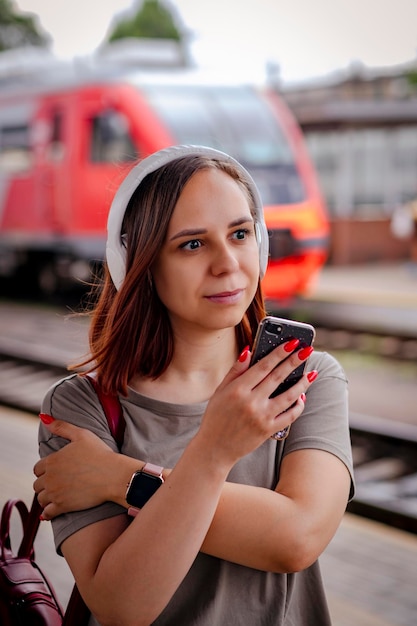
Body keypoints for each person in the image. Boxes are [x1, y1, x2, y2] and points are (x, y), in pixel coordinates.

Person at [34, 144, 354, 626]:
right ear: (141, 263)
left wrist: (120, 478)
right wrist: (213, 452)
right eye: (192, 243)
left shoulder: (307, 379)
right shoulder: (80, 409)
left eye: (240, 233)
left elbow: (296, 539)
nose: (227, 263)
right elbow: (122, 605)